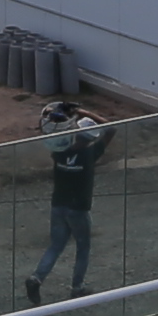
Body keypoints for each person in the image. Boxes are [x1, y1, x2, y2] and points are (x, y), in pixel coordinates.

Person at [26, 101, 107, 300]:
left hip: (58, 204)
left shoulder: (60, 151)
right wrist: (83, 111)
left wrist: (66, 118)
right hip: (79, 207)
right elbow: (111, 127)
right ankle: (77, 287)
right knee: (83, 247)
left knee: (56, 245)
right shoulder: (90, 153)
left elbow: (52, 136)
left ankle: (37, 277)